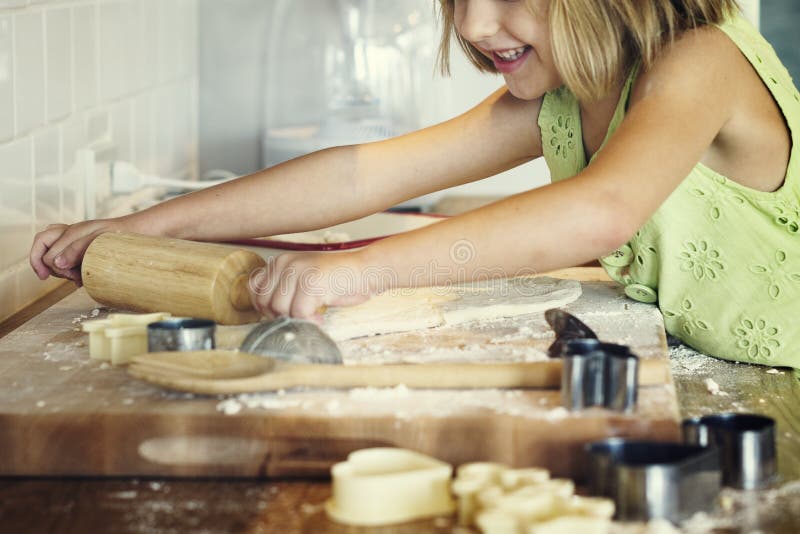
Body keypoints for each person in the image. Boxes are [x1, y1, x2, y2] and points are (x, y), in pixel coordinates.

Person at [30, 0, 799, 368]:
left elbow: (600, 212)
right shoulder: (570, 93)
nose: (469, 23)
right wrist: (151, 228)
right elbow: (367, 171)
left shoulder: (698, 62)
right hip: (730, 367)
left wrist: (365, 269)